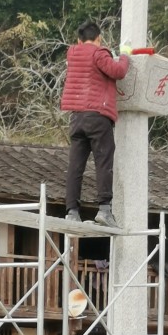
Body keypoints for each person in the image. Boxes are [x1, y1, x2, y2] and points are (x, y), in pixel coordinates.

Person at [60, 20, 131, 228]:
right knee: (103, 161)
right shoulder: (99, 53)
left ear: (78, 40)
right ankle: (104, 210)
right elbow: (118, 71)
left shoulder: (72, 54)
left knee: (75, 166)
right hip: (98, 116)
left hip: (76, 117)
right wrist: (125, 55)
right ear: (99, 38)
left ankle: (72, 211)